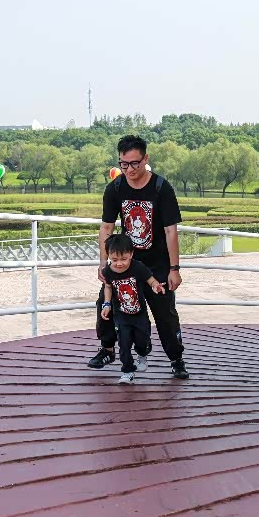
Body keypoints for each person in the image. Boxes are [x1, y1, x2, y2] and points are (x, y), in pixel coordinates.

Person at [87, 134, 190, 379]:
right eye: (124, 164)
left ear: (145, 159)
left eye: (135, 163)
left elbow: (170, 231)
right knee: (105, 303)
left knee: (165, 314)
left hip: (157, 264)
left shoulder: (161, 188)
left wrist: (174, 268)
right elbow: (106, 227)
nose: (130, 169)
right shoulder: (115, 188)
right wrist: (104, 263)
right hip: (126, 263)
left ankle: (176, 358)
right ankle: (107, 349)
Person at [100, 233, 165, 384]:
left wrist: (156, 286)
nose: (119, 263)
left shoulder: (138, 267)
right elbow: (108, 287)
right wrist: (106, 304)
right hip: (121, 315)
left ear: (131, 254)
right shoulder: (108, 271)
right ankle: (127, 371)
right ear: (109, 256)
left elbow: (151, 280)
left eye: (123, 259)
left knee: (142, 340)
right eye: (114, 259)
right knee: (124, 343)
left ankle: (142, 353)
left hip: (139, 314)